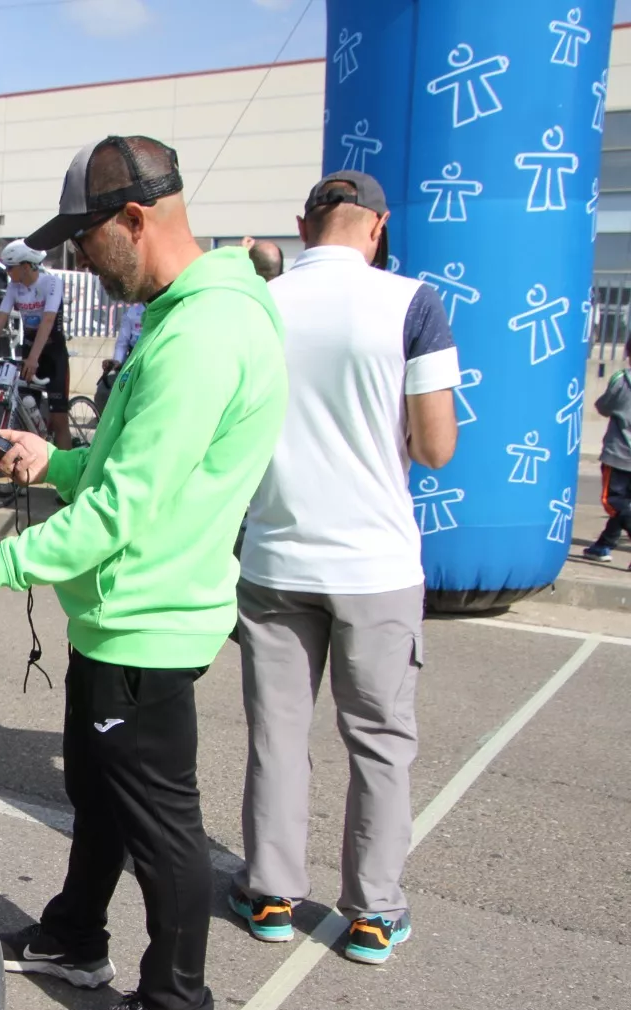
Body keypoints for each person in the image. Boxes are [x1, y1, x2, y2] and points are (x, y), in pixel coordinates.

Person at [0, 135, 286, 1010]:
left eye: (85, 238)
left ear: (136, 217)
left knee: (161, 825)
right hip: (121, 613)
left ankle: (179, 1004)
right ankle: (76, 936)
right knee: (100, 793)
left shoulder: (200, 334)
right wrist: (56, 460)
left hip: (147, 622)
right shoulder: (186, 314)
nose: (78, 259)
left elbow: (123, 510)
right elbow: (122, 472)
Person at [234, 170, 459, 967]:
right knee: (379, 740)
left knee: (279, 734)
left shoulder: (261, 303)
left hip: (274, 552)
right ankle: (372, 913)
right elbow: (435, 447)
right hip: (375, 562)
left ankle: (268, 894)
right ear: (378, 227)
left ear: (304, 224)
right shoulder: (414, 303)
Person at [0, 240, 74, 448]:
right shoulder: (14, 287)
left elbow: (48, 320)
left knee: (59, 421)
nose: (8, 272)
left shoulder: (51, 283)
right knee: (26, 416)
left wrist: (33, 359)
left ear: (26, 265)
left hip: (53, 354)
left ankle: (70, 477)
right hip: (31, 351)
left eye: (10, 268)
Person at [583, 366, 631, 561]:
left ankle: (604, 544)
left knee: (613, 501)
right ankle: (604, 544)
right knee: (625, 505)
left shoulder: (622, 379)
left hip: (620, 454)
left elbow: (604, 407)